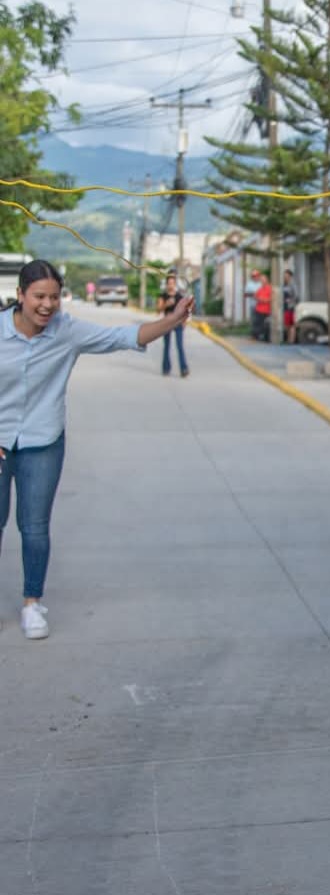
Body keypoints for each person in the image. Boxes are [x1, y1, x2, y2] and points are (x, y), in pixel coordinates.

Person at [0, 259, 193, 639]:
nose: (47, 305)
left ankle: (32, 604)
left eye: (54, 297)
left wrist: (173, 319)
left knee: (34, 527)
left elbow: (125, 337)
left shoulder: (65, 332)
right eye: (39, 296)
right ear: (20, 295)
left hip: (43, 441)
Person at [157, 272, 189, 377]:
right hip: (167, 322)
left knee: (180, 346)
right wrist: (166, 304)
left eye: (172, 283)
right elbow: (158, 310)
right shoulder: (163, 296)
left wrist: (184, 321)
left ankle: (183, 369)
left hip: (178, 323)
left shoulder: (179, 296)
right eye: (169, 283)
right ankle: (166, 368)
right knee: (166, 346)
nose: (170, 285)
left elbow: (185, 310)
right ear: (166, 285)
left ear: (175, 284)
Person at [282, 269, 298, 345]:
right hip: (284, 307)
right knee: (286, 324)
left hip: (290, 307)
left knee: (291, 324)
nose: (285, 277)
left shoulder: (293, 285)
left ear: (290, 276)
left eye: (287, 275)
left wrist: (290, 300)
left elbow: (296, 296)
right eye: (284, 275)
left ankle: (291, 340)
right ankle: (288, 339)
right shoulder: (284, 284)